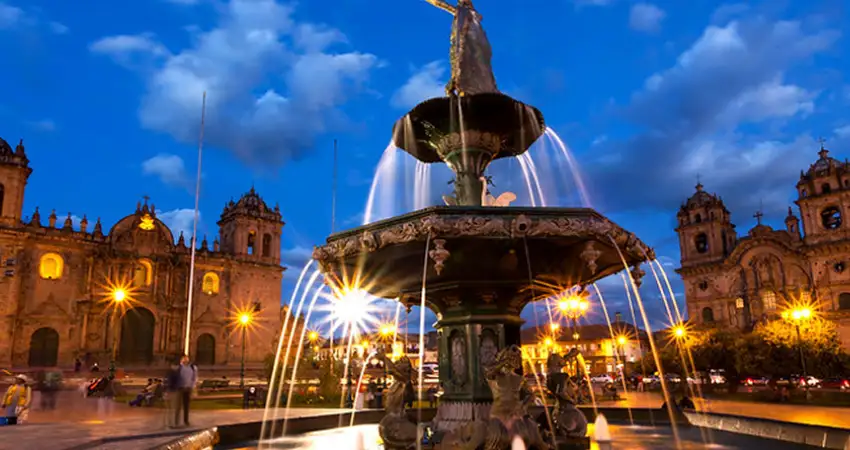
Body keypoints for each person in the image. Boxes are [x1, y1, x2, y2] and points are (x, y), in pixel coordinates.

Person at [173, 354, 197, 428]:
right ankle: (176, 422)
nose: (185, 360)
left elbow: (194, 378)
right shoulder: (179, 368)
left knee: (186, 406)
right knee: (178, 406)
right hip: (180, 388)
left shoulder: (193, 368)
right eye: (183, 358)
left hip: (188, 388)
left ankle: (186, 421)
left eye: (186, 358)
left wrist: (193, 388)